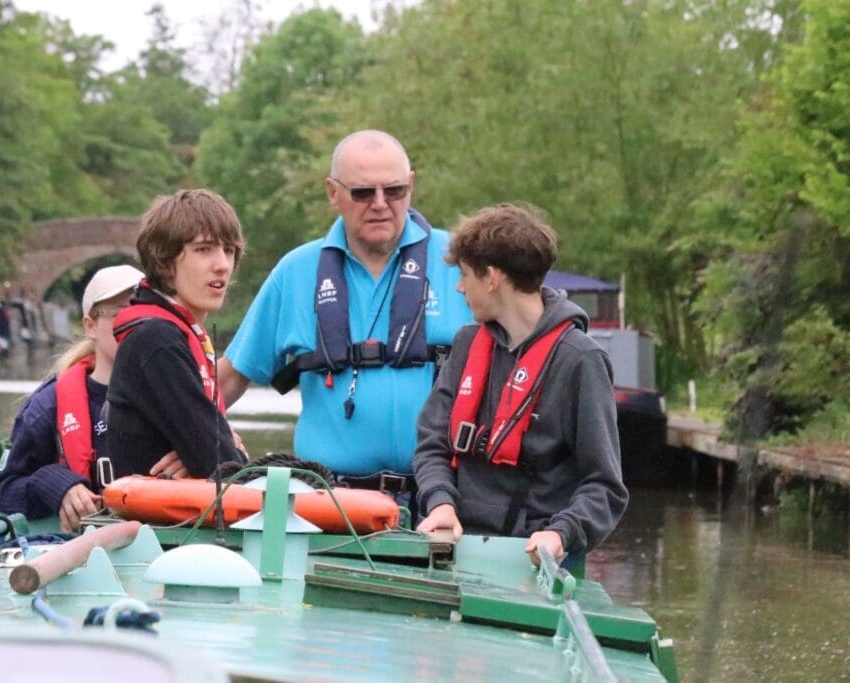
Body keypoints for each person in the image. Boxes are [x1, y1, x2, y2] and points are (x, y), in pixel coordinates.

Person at [218, 130, 472, 490]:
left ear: (411, 185)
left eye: (394, 190)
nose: (381, 203)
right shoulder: (296, 271)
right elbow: (229, 378)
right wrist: (188, 434)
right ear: (333, 193)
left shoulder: (460, 261)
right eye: (363, 193)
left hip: (443, 499)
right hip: (330, 501)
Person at [414, 203, 628, 565]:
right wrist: (440, 503)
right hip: (458, 548)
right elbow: (432, 444)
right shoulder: (466, 344)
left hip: (538, 557)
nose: (460, 287)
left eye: (465, 274)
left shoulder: (581, 360)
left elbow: (605, 486)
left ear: (493, 278)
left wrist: (563, 532)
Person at [0, 264, 144, 531]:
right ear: (90, 326)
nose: (134, 325)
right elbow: (2, 493)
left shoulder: (177, 397)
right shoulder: (47, 407)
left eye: (145, 314)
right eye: (120, 315)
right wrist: (52, 483)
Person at [106, 189, 247, 480]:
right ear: (166, 262)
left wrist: (218, 452)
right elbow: (222, 466)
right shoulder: (157, 342)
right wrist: (226, 450)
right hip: (152, 524)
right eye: (204, 249)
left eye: (229, 250)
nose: (222, 265)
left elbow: (216, 458)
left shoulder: (178, 335)